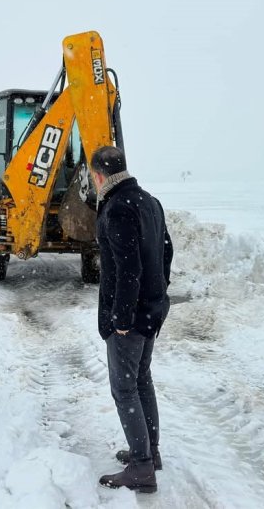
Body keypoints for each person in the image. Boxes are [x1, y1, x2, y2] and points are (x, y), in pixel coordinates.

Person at [91, 146, 173, 493]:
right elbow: (166, 250)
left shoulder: (117, 208)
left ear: (99, 175)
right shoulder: (148, 201)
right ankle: (149, 453)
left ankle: (141, 468)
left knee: (124, 388)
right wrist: (158, 293)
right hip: (152, 309)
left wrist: (122, 318)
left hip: (132, 315)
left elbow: (128, 269)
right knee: (140, 380)